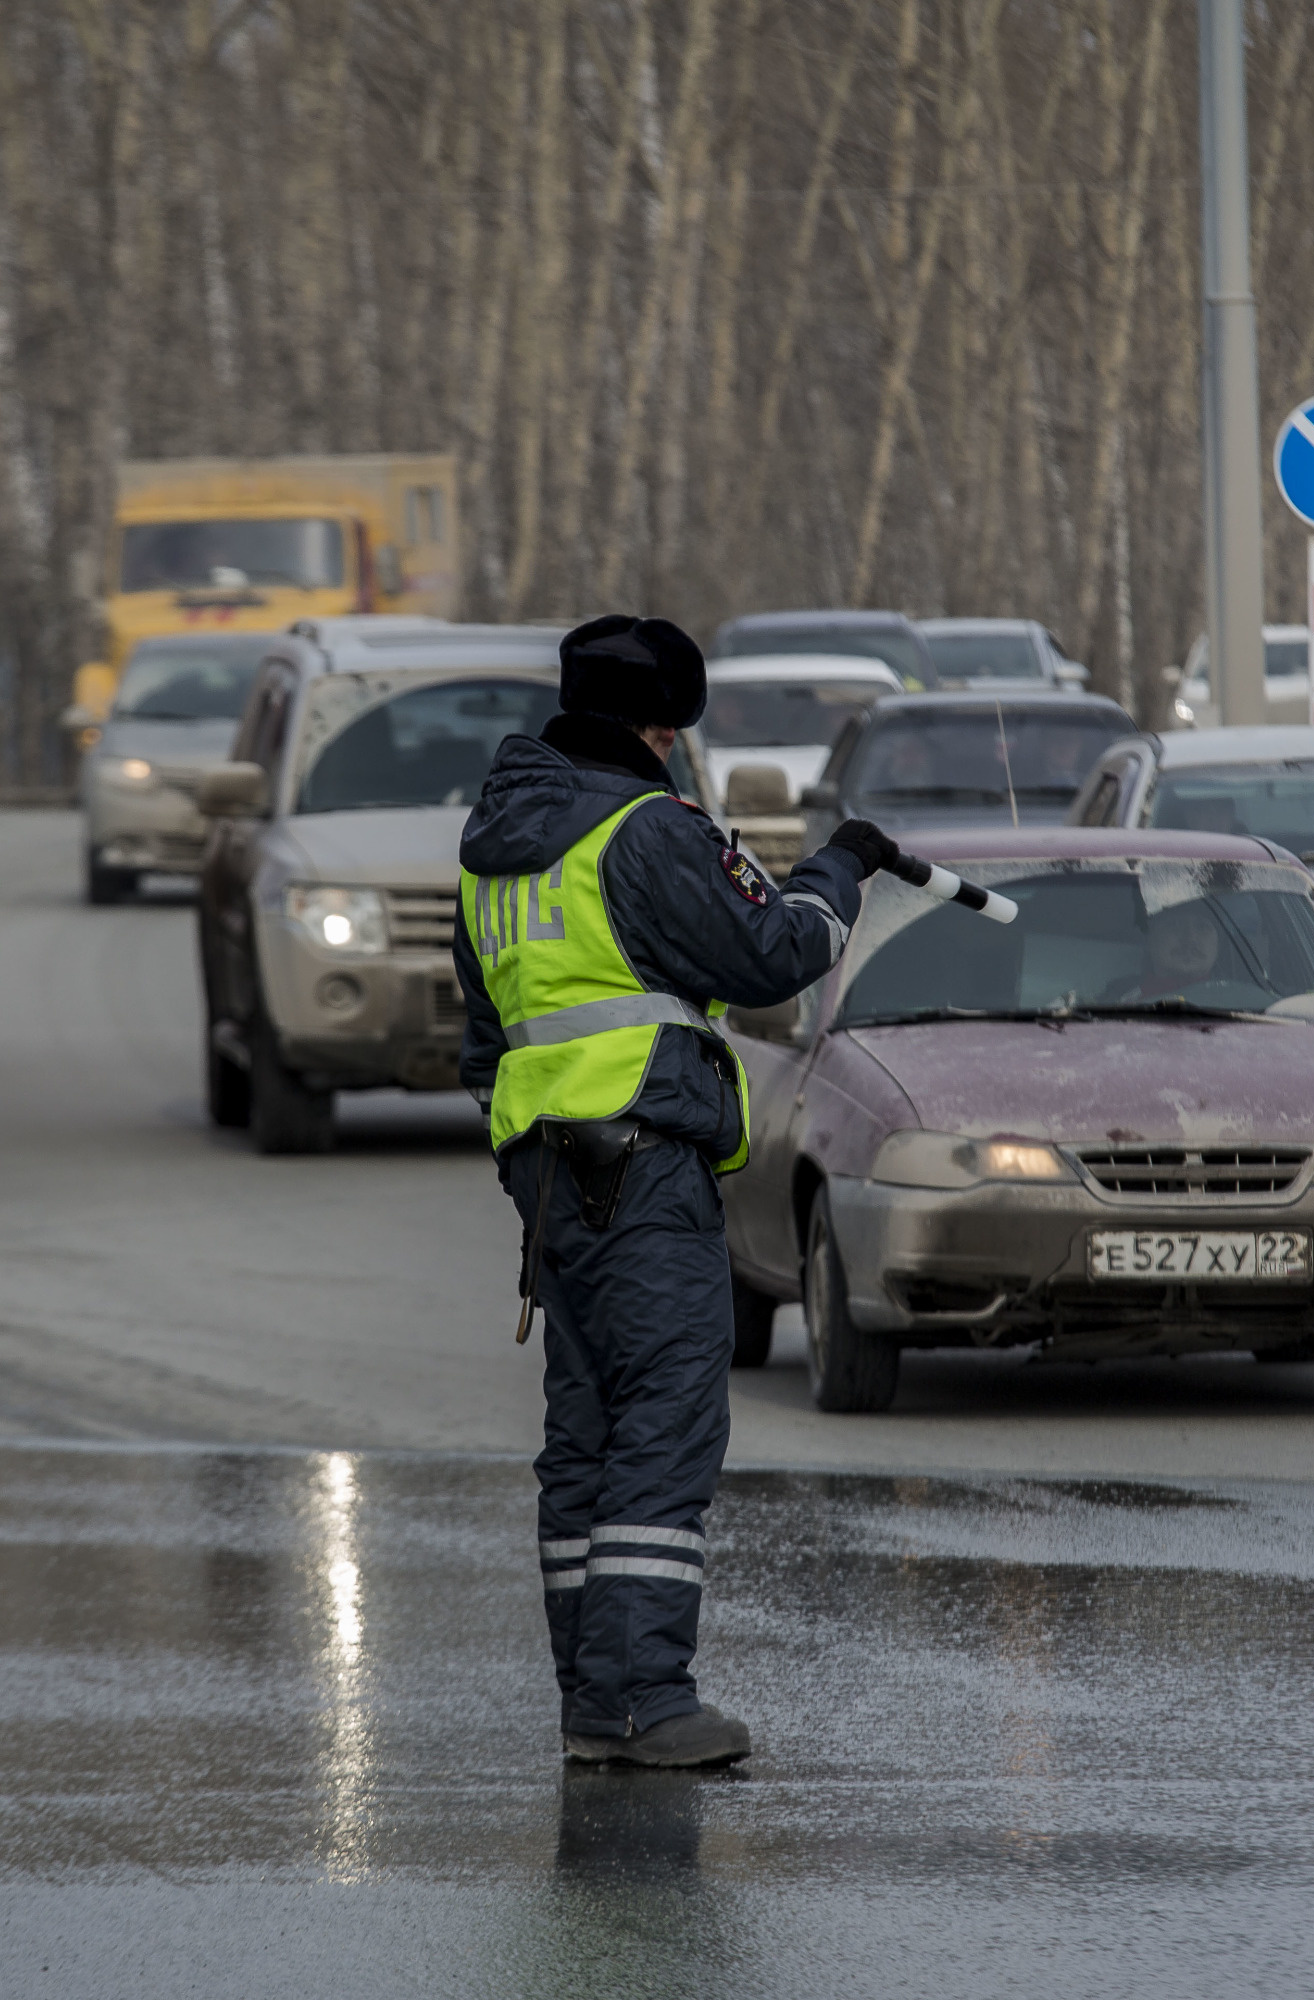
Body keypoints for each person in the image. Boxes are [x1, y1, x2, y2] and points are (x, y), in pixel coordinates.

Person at [455, 614, 901, 1769]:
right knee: (666, 1424)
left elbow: (479, 1042)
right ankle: (648, 1698)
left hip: (550, 1181)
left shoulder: (494, 845)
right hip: (645, 1166)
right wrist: (838, 867)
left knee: (589, 1434)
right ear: (655, 728)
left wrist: (530, 1159)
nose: (677, 748)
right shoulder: (647, 829)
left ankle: (593, 1703)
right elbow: (771, 954)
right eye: (672, 729)